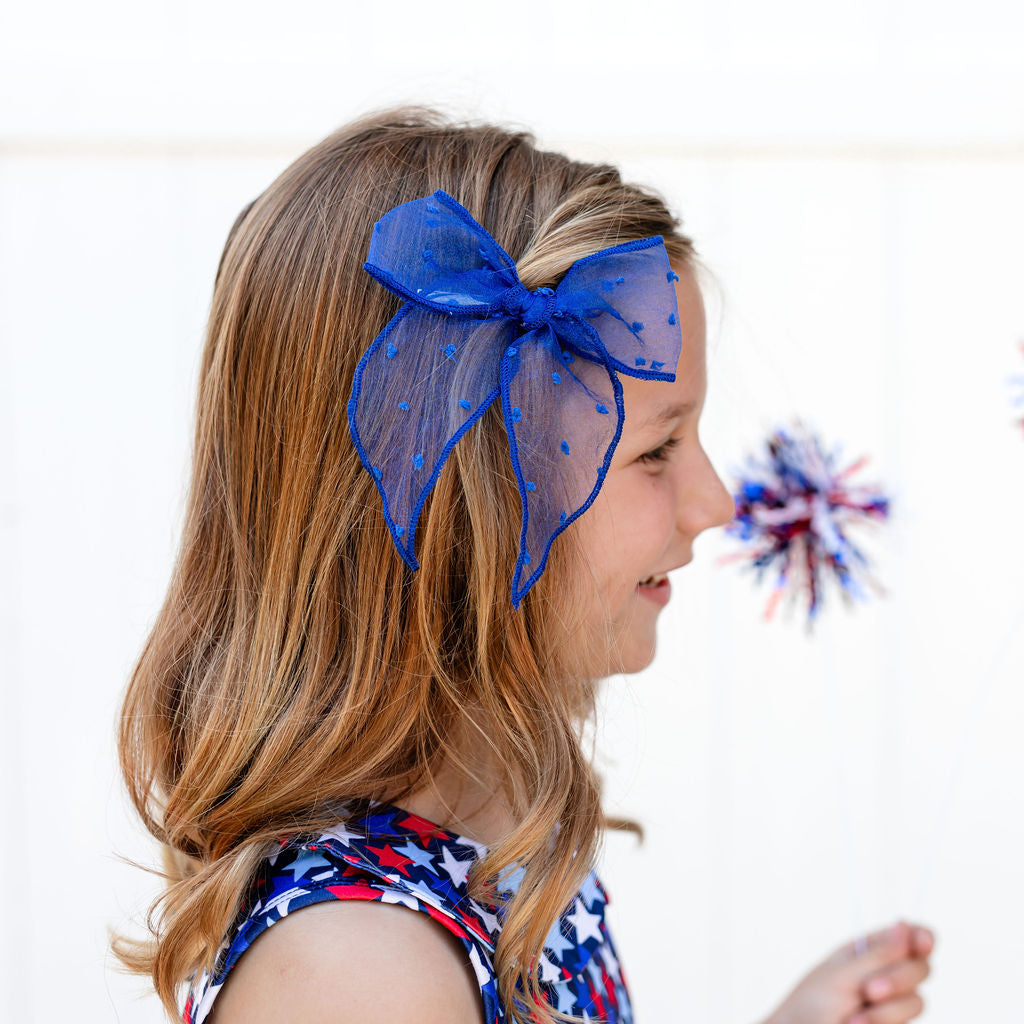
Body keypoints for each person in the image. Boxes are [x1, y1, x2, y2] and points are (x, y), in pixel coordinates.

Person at [112, 105, 935, 1024]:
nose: (717, 504)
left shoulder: (497, 839)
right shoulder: (358, 975)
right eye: (656, 452)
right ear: (471, 515)